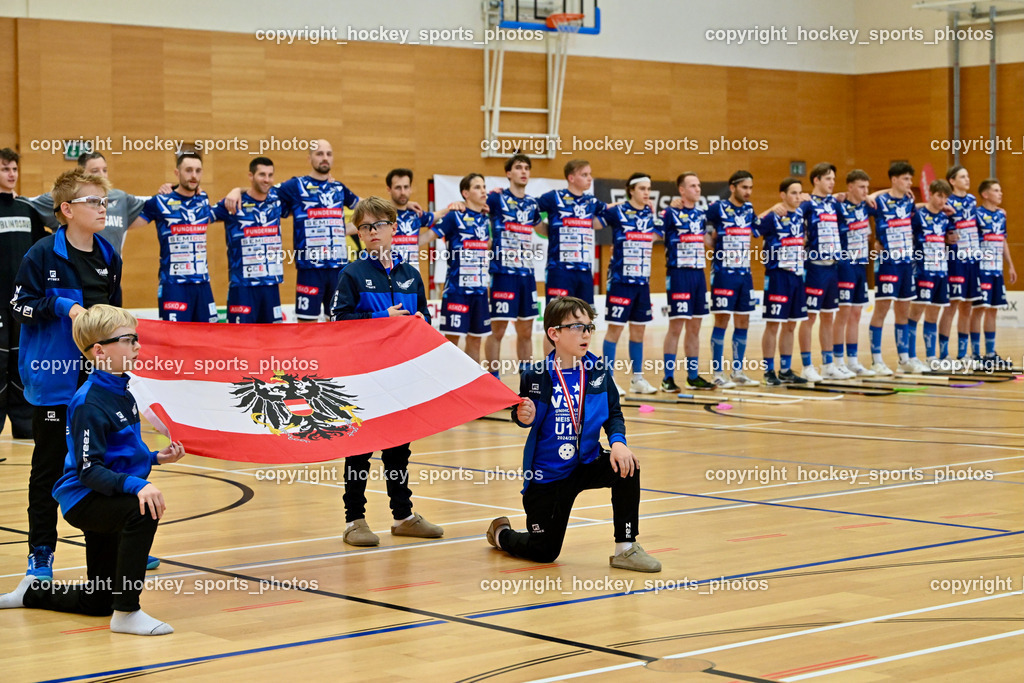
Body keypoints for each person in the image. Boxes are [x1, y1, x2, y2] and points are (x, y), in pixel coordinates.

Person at [0, 305, 185, 635]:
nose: (137, 346)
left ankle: (33, 593)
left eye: (136, 338)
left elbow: (121, 454)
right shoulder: (89, 402)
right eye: (128, 340)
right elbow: (88, 471)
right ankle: (127, 612)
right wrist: (137, 485)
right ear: (100, 351)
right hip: (87, 499)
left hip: (105, 492)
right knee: (143, 510)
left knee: (97, 601)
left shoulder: (122, 391)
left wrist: (157, 458)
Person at [486, 296, 660, 572]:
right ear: (554, 333)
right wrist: (522, 416)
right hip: (549, 476)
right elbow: (523, 415)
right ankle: (501, 534)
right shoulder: (535, 375)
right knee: (544, 553)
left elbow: (613, 413)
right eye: (577, 327)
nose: (586, 334)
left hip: (586, 463)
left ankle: (625, 548)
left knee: (628, 467)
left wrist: (618, 443)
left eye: (589, 327)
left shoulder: (598, 372)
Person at [11, 168, 123, 578]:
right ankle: (41, 553)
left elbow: (118, 321)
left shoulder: (109, 256)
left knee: (104, 466)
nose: (102, 208)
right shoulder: (40, 254)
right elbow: (19, 307)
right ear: (67, 209)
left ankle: (113, 545)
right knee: (49, 469)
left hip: (99, 386)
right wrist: (61, 306)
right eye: (93, 201)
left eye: (104, 201)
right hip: (54, 384)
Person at [330, 196, 442, 546]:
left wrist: (421, 321)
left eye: (379, 224)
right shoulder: (352, 274)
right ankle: (354, 520)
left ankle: (403, 515)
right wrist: (381, 319)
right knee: (360, 449)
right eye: (365, 227)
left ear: (394, 228)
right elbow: (338, 322)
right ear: (360, 234)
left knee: (398, 450)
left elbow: (422, 316)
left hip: (401, 376)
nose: (372, 231)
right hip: (364, 376)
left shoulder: (411, 275)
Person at [130, 152, 218, 322]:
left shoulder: (203, 198)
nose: (194, 175)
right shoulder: (160, 201)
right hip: (173, 285)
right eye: (188, 170)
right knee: (174, 341)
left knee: (207, 340)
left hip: (203, 285)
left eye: (198, 171)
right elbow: (129, 224)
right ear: (177, 173)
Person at [600, 173, 662, 395]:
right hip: (620, 281)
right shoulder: (617, 211)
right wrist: (608, 205)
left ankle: (637, 379)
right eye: (643, 188)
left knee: (639, 332)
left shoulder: (650, 214)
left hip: (642, 282)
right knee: (614, 330)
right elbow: (595, 222)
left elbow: (655, 236)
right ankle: (608, 380)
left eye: (649, 189)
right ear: (631, 190)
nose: (647, 192)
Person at [0, 148, 46, 438]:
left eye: (14, 168)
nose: (11, 174)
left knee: (21, 363)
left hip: (22, 302)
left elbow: (43, 248)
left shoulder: (27, 210)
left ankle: (23, 425)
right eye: (5, 168)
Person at [19, 151, 146, 256]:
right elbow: (25, 206)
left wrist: (165, 192)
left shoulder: (120, 198)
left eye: (105, 170)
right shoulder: (63, 197)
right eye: (95, 171)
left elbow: (152, 207)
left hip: (106, 273)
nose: (102, 175)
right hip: (71, 266)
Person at [423, 173, 492, 363]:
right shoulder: (454, 216)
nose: (483, 190)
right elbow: (426, 238)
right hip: (456, 291)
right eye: (477, 187)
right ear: (465, 193)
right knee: (451, 343)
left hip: (480, 291)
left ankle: (472, 387)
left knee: (476, 342)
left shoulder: (487, 219)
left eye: (484, 186)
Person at [486, 154, 542, 378]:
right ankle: (493, 380)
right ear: (508, 173)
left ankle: (527, 381)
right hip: (502, 274)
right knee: (497, 330)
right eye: (518, 167)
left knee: (526, 331)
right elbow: (473, 206)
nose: (524, 171)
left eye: (527, 168)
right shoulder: (496, 199)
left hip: (526, 274)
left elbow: (543, 228)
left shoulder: (532, 204)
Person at [797, 163, 855, 382]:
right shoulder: (806, 203)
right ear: (816, 180)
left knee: (829, 317)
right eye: (828, 178)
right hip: (814, 268)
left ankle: (828, 364)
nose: (832, 182)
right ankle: (806, 365)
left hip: (833, 267)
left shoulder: (835, 204)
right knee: (809, 318)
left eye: (833, 178)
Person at [211, 157, 285, 323]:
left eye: (270, 175)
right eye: (262, 174)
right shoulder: (232, 203)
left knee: (273, 340)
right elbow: (202, 217)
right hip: (242, 288)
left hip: (270, 286)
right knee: (241, 342)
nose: (267, 179)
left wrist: (239, 188)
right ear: (251, 176)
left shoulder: (277, 200)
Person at [705, 170, 761, 387]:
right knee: (722, 320)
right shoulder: (717, 208)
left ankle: (738, 371)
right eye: (744, 187)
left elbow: (758, 227)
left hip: (744, 273)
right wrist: (709, 240)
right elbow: (700, 226)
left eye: (750, 188)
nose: (748, 192)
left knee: (743, 320)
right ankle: (717, 373)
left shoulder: (748, 209)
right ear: (733, 187)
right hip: (723, 274)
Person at [660, 172, 714, 391]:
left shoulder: (701, 215)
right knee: (676, 326)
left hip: (698, 274)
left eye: (699, 185)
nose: (697, 189)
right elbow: (652, 232)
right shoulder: (669, 213)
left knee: (695, 327)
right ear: (681, 190)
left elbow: (708, 241)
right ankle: (668, 378)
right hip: (678, 273)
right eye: (692, 186)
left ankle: (693, 376)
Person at [867, 162, 917, 375]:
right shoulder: (879, 201)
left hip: (907, 262)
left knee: (903, 311)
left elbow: (918, 213)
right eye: (906, 179)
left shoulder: (909, 201)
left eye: (911, 179)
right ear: (894, 180)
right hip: (888, 262)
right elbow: (859, 201)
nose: (910, 183)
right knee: (882, 309)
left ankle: (904, 360)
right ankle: (876, 360)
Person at [536, 159, 608, 307]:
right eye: (584, 174)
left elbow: (612, 209)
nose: (590, 178)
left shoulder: (591, 202)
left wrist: (636, 203)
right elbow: (528, 207)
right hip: (559, 270)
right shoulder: (553, 197)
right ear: (571, 178)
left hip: (584, 270)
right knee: (558, 317)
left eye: (590, 174)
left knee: (584, 317)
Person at [759, 178, 809, 386]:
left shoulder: (800, 214)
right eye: (793, 193)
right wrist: (770, 209)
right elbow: (751, 224)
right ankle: (768, 371)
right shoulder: (773, 217)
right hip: (778, 275)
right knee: (773, 325)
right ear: (783, 195)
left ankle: (786, 369)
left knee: (791, 325)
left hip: (797, 275)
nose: (798, 197)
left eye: (800, 193)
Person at [938, 166, 982, 368]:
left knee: (967, 305)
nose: (967, 179)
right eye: (963, 176)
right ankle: (944, 354)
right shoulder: (947, 201)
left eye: (968, 175)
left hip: (973, 258)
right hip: (955, 258)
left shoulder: (972, 200)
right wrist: (946, 238)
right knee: (952, 305)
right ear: (952, 181)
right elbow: (939, 225)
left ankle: (963, 354)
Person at [910, 180, 955, 370]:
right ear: (931, 194)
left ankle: (931, 357)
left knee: (934, 314)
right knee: (915, 313)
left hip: (941, 271)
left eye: (945, 197)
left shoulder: (945, 219)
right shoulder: (918, 216)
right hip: (922, 270)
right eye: (939, 196)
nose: (942, 201)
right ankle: (909, 357)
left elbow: (951, 240)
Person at [835, 170, 876, 376]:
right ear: (849, 187)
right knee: (843, 313)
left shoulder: (866, 207)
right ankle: (836, 361)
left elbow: (888, 195)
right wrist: (837, 195)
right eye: (861, 187)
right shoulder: (838, 206)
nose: (865, 191)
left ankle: (852, 360)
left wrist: (868, 195)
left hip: (861, 265)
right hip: (845, 265)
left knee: (857, 314)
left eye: (867, 188)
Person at [974, 178, 1017, 368]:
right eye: (996, 190)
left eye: (1000, 190)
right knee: (978, 310)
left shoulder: (1001, 216)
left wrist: (1010, 265)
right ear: (985, 194)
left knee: (993, 311)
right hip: (981, 269)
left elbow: (1003, 240)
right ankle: (975, 355)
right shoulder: (975, 214)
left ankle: (990, 354)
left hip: (996, 269)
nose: (1001, 194)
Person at [386, 168, 442, 274]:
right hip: (389, 277)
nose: (403, 192)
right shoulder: (381, 214)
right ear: (389, 189)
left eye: (406, 187)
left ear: (411, 188)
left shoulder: (416, 214)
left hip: (413, 276)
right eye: (398, 187)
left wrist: (454, 206)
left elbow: (437, 215)